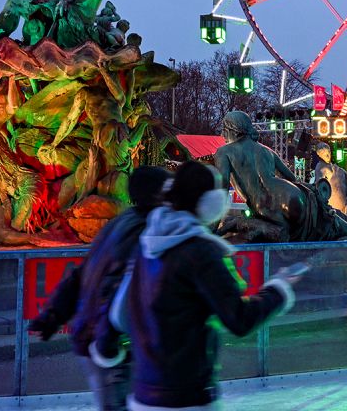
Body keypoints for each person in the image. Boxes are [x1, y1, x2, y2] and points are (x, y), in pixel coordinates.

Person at [107, 162, 300, 410]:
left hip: (143, 393)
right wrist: (278, 289)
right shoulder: (201, 252)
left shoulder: (147, 243)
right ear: (210, 203)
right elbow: (239, 318)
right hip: (187, 397)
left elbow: (121, 314)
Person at [30, 166, 170, 411]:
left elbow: (83, 272)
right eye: (169, 191)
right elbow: (115, 288)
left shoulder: (121, 223)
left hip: (96, 336)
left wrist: (54, 315)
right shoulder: (143, 232)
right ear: (157, 194)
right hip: (109, 345)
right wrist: (110, 343)